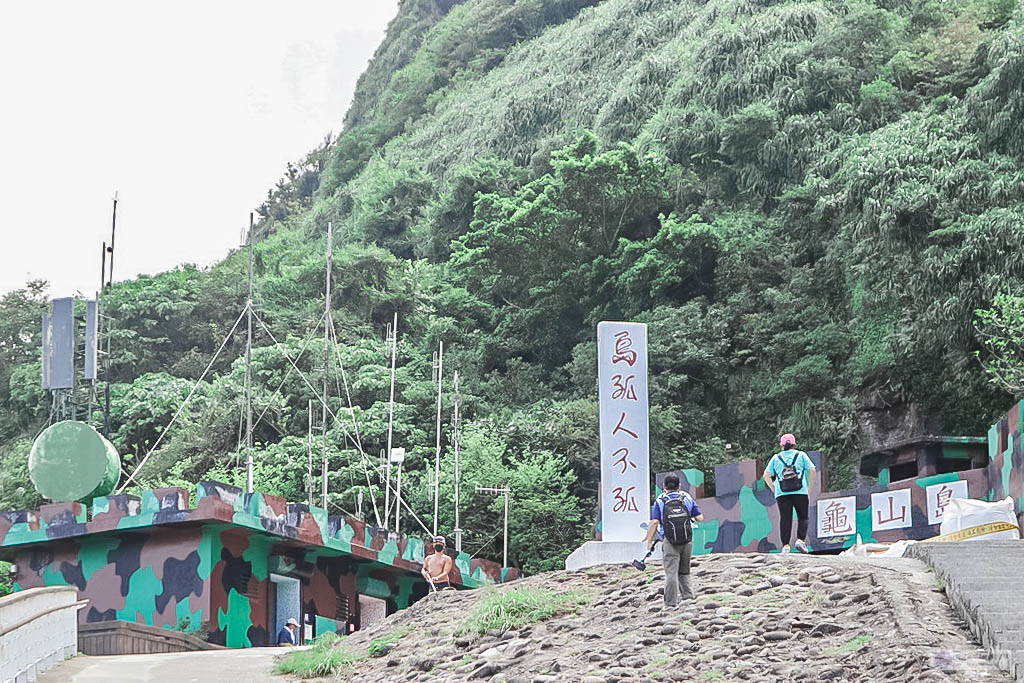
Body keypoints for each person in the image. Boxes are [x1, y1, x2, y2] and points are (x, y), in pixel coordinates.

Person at [643, 474, 704, 606]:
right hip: (687, 540)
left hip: (670, 541)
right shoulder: (686, 497)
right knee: (684, 571)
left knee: (671, 573)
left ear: (664, 487)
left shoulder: (660, 500)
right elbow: (700, 518)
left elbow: (654, 522)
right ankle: (687, 598)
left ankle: (670, 603)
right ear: (679, 486)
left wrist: (649, 541)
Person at [763, 433, 817, 553]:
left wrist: (774, 488)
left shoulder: (776, 458)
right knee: (802, 516)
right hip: (800, 491)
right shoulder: (801, 455)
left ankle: (785, 546)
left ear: (781, 445)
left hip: (782, 494)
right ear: (794, 444)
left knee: (785, 518)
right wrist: (809, 488)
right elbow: (812, 469)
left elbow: (766, 475)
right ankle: (800, 540)